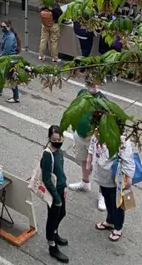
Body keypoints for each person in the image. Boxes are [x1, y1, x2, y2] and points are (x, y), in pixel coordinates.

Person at [68, 74, 107, 211]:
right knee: (83, 160)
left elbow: (105, 122)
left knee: (99, 166)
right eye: (90, 84)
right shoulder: (81, 93)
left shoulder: (102, 99)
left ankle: (103, 195)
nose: (92, 87)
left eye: (95, 85)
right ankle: (85, 183)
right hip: (80, 134)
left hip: (93, 139)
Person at [89, 134, 135, 242]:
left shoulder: (122, 141)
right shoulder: (97, 134)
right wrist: (89, 161)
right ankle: (110, 220)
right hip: (102, 176)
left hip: (115, 178)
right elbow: (92, 147)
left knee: (117, 204)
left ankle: (118, 227)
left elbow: (128, 161)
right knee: (107, 199)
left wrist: (128, 179)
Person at [41, 125, 68, 263]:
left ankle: (55, 233)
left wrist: (65, 187)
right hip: (53, 192)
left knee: (62, 213)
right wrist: (57, 198)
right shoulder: (47, 155)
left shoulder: (59, 151)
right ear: (49, 139)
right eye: (54, 139)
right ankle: (52, 245)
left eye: (60, 139)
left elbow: (60, 171)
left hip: (61, 189)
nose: (58, 142)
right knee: (52, 218)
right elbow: (46, 179)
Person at [0, 20, 21, 103]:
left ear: (9, 27)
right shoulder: (6, 34)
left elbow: (6, 51)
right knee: (2, 75)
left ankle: (16, 97)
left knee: (12, 78)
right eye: (1, 26)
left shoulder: (10, 37)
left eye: (4, 27)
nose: (2, 28)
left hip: (10, 61)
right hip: (7, 59)